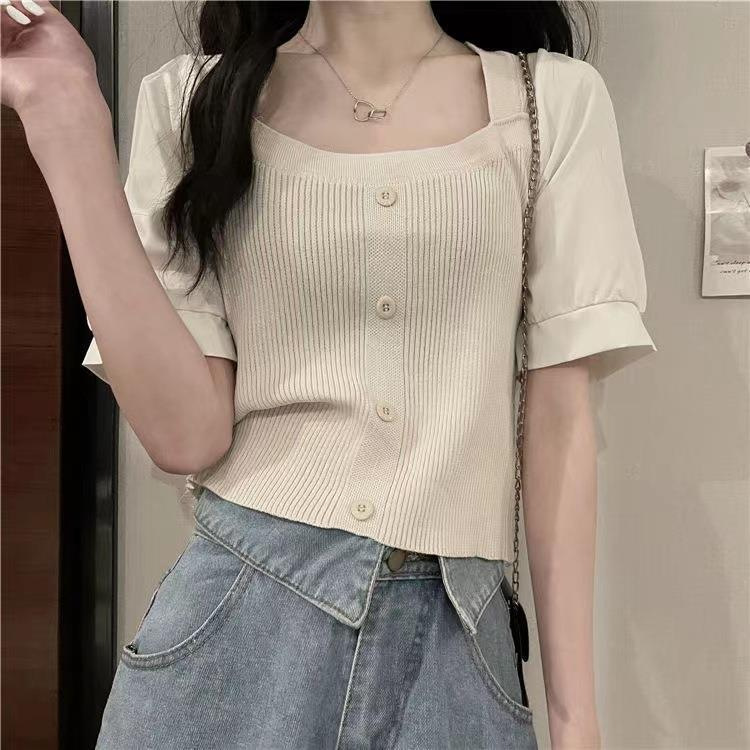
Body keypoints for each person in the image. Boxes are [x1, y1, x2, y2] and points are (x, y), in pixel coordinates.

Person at [1, 1, 657, 747]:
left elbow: (560, 420)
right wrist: (64, 118)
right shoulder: (192, 102)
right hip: (236, 634)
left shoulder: (552, 104)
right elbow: (184, 435)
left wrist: (575, 719)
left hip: (457, 650)